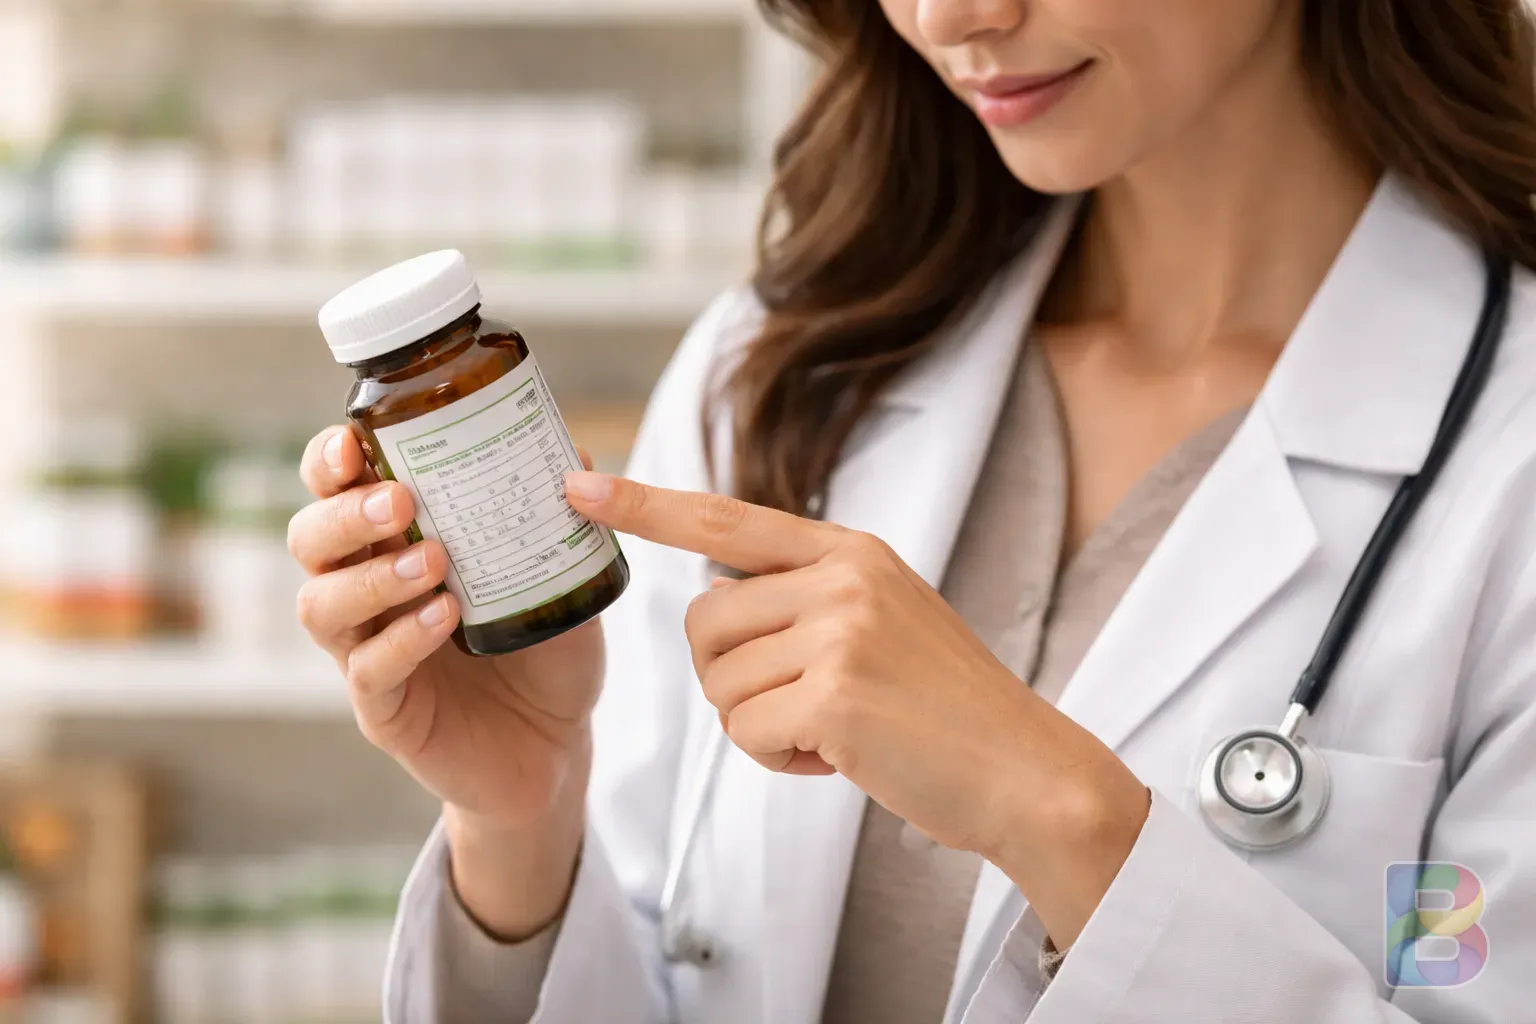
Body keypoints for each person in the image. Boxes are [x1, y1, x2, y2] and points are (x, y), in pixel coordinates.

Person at [287, 1, 1536, 1021]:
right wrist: (524, 819)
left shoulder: (1506, 451)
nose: (955, 18)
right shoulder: (785, 371)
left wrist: (1062, 817)